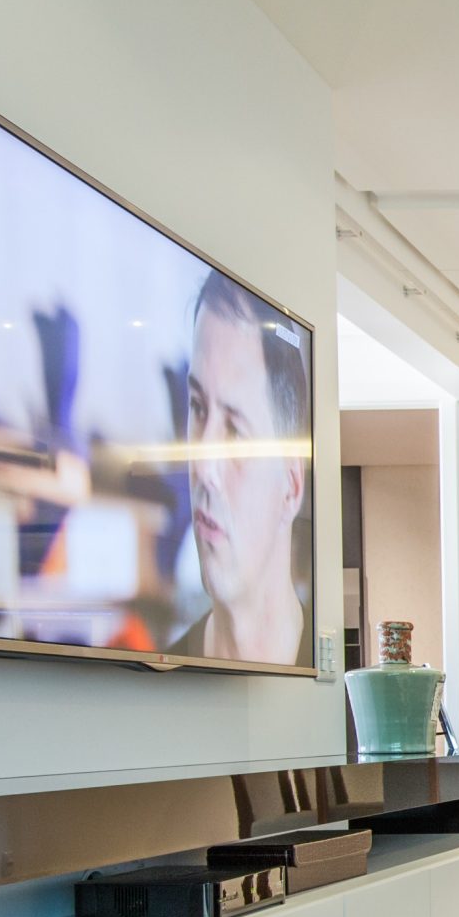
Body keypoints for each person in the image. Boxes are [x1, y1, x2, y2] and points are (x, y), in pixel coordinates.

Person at [170, 271, 310, 665]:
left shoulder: (337, 692)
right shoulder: (158, 676)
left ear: (291, 487)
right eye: (198, 407)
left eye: (234, 430)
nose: (204, 466)